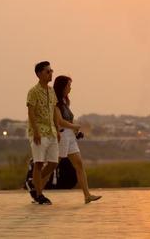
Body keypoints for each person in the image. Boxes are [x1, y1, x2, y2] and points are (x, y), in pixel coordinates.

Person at [53, 75, 102, 204]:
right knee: (53, 164)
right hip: (62, 136)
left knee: (79, 164)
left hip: (70, 136)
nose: (70, 88)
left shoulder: (65, 101)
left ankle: (87, 195)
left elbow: (68, 120)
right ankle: (37, 187)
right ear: (62, 87)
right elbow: (60, 121)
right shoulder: (55, 102)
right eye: (68, 85)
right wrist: (75, 126)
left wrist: (75, 131)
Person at [26, 61, 60, 204]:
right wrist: (36, 132)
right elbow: (31, 113)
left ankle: (33, 182)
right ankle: (39, 194)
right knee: (39, 163)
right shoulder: (33, 91)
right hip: (39, 132)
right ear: (39, 74)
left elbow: (54, 111)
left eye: (51, 71)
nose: (51, 73)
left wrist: (57, 129)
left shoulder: (51, 91)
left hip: (51, 132)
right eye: (48, 71)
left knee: (53, 163)